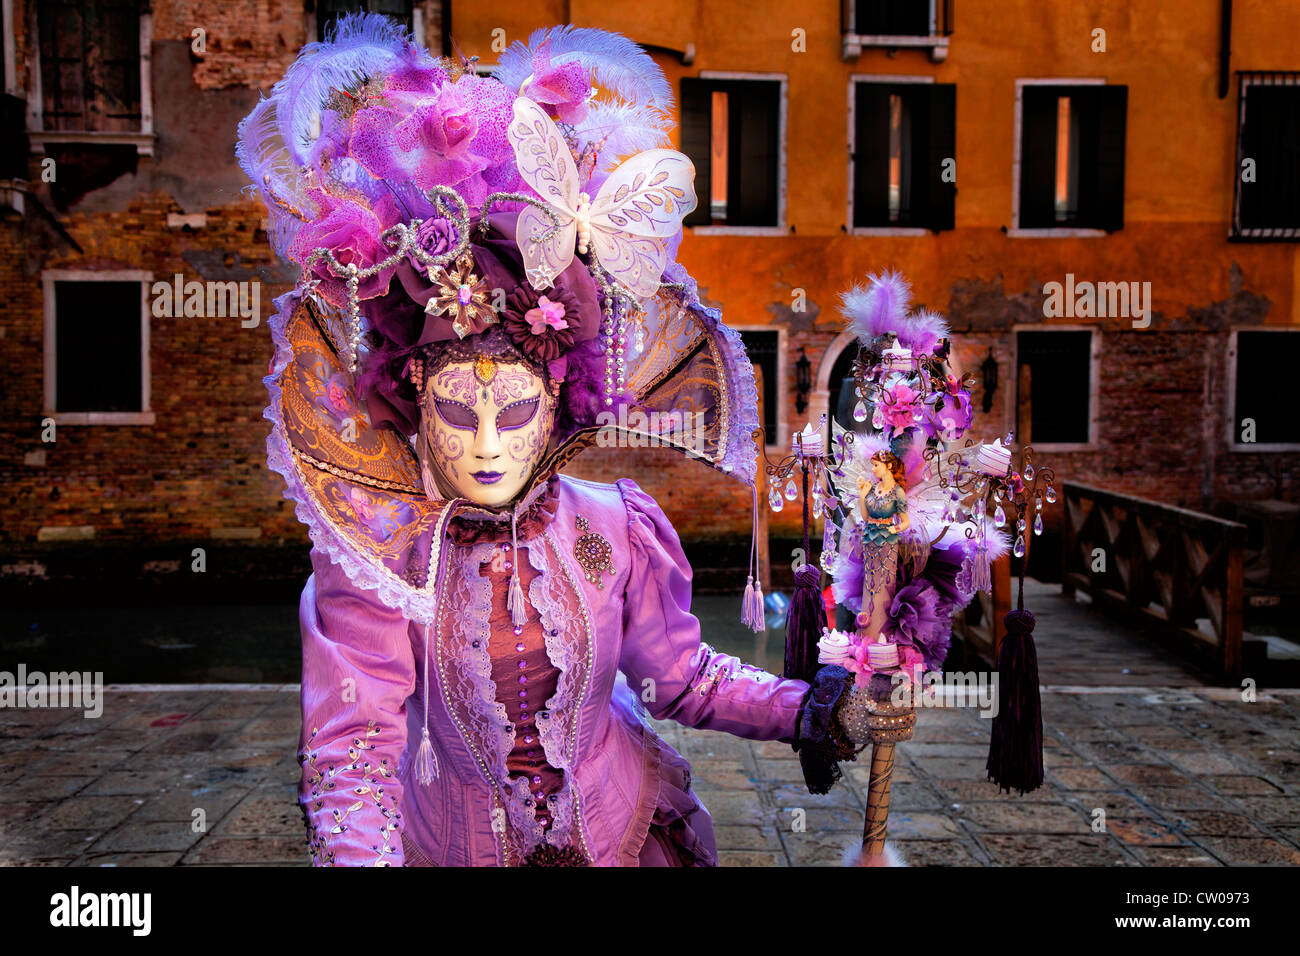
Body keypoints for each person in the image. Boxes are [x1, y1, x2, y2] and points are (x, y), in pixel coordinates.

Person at [240, 14, 866, 866]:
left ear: (561, 407)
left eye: (517, 414)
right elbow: (355, 757)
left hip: (623, 834)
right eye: (460, 413)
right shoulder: (378, 558)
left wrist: (813, 709)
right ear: (415, 401)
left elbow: (676, 678)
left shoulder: (614, 528)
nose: (491, 445)